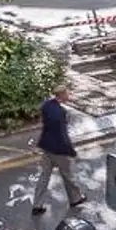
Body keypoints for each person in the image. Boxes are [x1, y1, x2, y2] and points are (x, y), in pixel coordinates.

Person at [30, 84, 86, 216]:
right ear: (61, 95)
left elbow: (44, 124)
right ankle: (75, 199)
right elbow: (62, 134)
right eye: (67, 93)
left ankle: (37, 205)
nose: (69, 95)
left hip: (46, 148)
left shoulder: (46, 106)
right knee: (68, 176)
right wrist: (71, 151)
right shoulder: (62, 113)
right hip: (60, 150)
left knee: (44, 177)